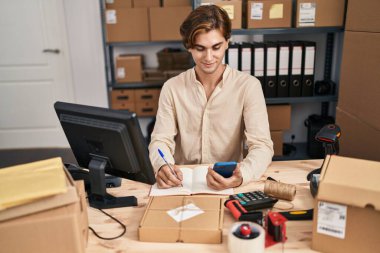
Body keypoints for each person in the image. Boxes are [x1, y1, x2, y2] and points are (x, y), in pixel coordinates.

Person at [148, 5, 273, 190]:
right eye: (200, 48)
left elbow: (262, 146)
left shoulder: (248, 86)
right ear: (189, 47)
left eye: (216, 47)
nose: (209, 57)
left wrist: (242, 176)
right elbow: (160, 141)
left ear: (227, 42)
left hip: (229, 181)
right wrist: (162, 165)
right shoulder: (172, 88)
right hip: (183, 183)